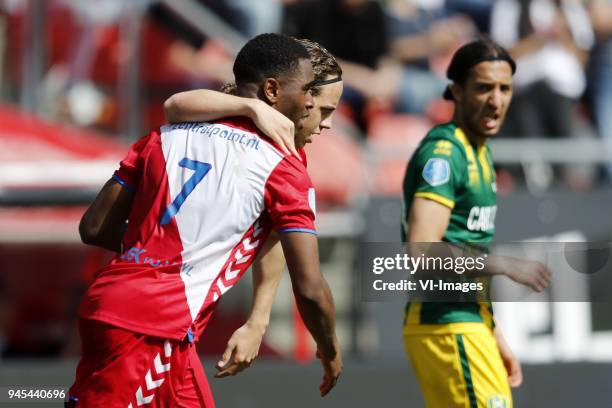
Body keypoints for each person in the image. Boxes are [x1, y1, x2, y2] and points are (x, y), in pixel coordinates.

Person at [67, 33, 341, 407]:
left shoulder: (164, 136)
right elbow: (308, 286)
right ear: (274, 91)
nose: (319, 116)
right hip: (154, 324)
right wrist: (330, 349)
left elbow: (94, 226)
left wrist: (257, 320)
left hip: (119, 304)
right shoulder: (281, 167)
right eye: (318, 104)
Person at [163, 37, 344, 380]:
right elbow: (174, 104)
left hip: (172, 319)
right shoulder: (271, 158)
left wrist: (258, 321)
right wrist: (253, 107)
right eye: (324, 109)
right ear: (299, 98)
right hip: (159, 313)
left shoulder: (285, 156)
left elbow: (272, 231)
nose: (328, 124)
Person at [401, 39, 551, 407]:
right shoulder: (445, 154)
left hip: (469, 321)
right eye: (484, 88)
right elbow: (421, 248)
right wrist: (505, 265)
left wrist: (492, 332)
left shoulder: (478, 152)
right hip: (446, 322)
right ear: (456, 91)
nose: (496, 100)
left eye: (504, 89)